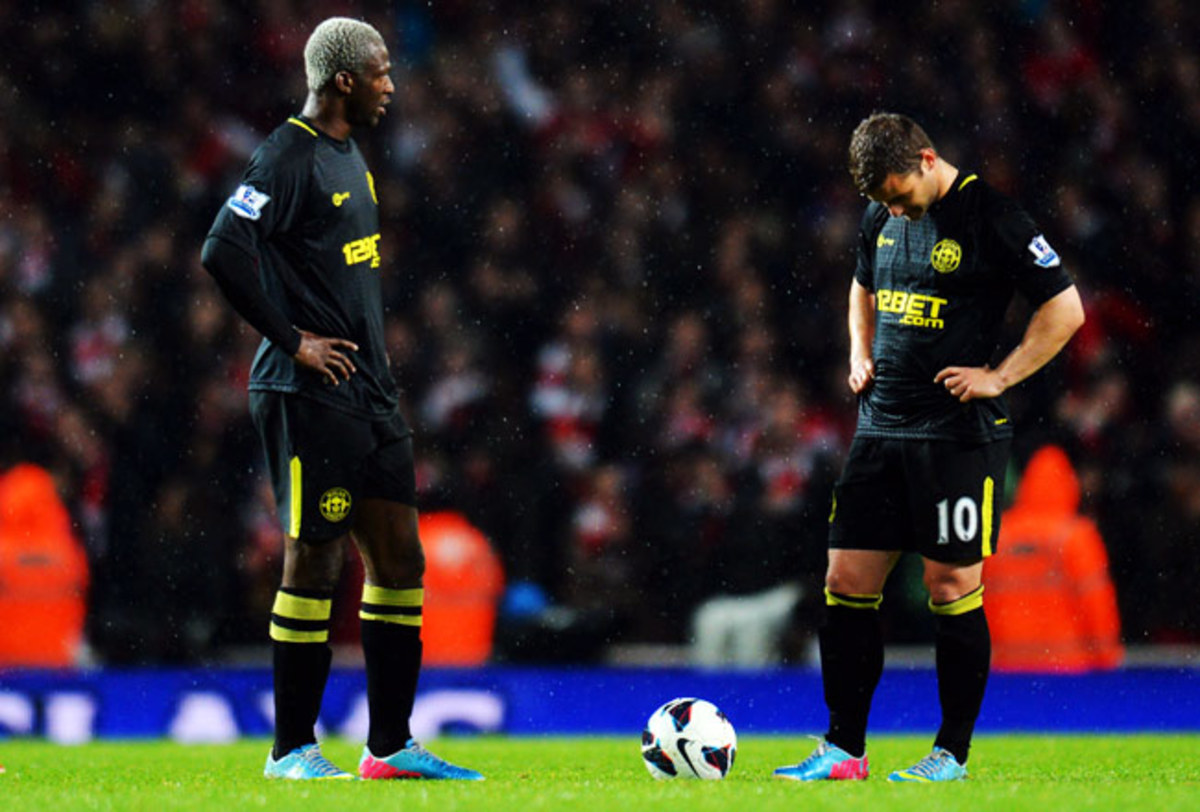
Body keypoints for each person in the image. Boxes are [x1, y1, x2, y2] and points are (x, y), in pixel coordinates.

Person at [201, 17, 482, 781]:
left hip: (370, 394)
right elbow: (222, 248)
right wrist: (291, 340)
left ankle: (389, 746)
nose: (394, 85)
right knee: (314, 562)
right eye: (383, 72)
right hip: (308, 391)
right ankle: (291, 749)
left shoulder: (349, 155)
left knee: (400, 560)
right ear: (345, 80)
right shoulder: (286, 155)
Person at [774, 112, 1084, 783]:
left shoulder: (993, 216)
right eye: (881, 203)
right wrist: (859, 352)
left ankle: (951, 753)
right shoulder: (880, 214)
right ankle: (843, 750)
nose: (892, 209)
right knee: (845, 584)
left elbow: (1065, 308)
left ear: (926, 157)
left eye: (898, 195)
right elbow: (861, 285)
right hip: (880, 429)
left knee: (951, 586)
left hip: (956, 438)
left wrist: (999, 375)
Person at [985, 445, 1123, 672]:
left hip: (1009, 669)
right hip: (1068, 668)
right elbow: (1096, 602)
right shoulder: (1077, 536)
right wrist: (1108, 656)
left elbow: (980, 603)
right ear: (1069, 483)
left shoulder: (999, 536)